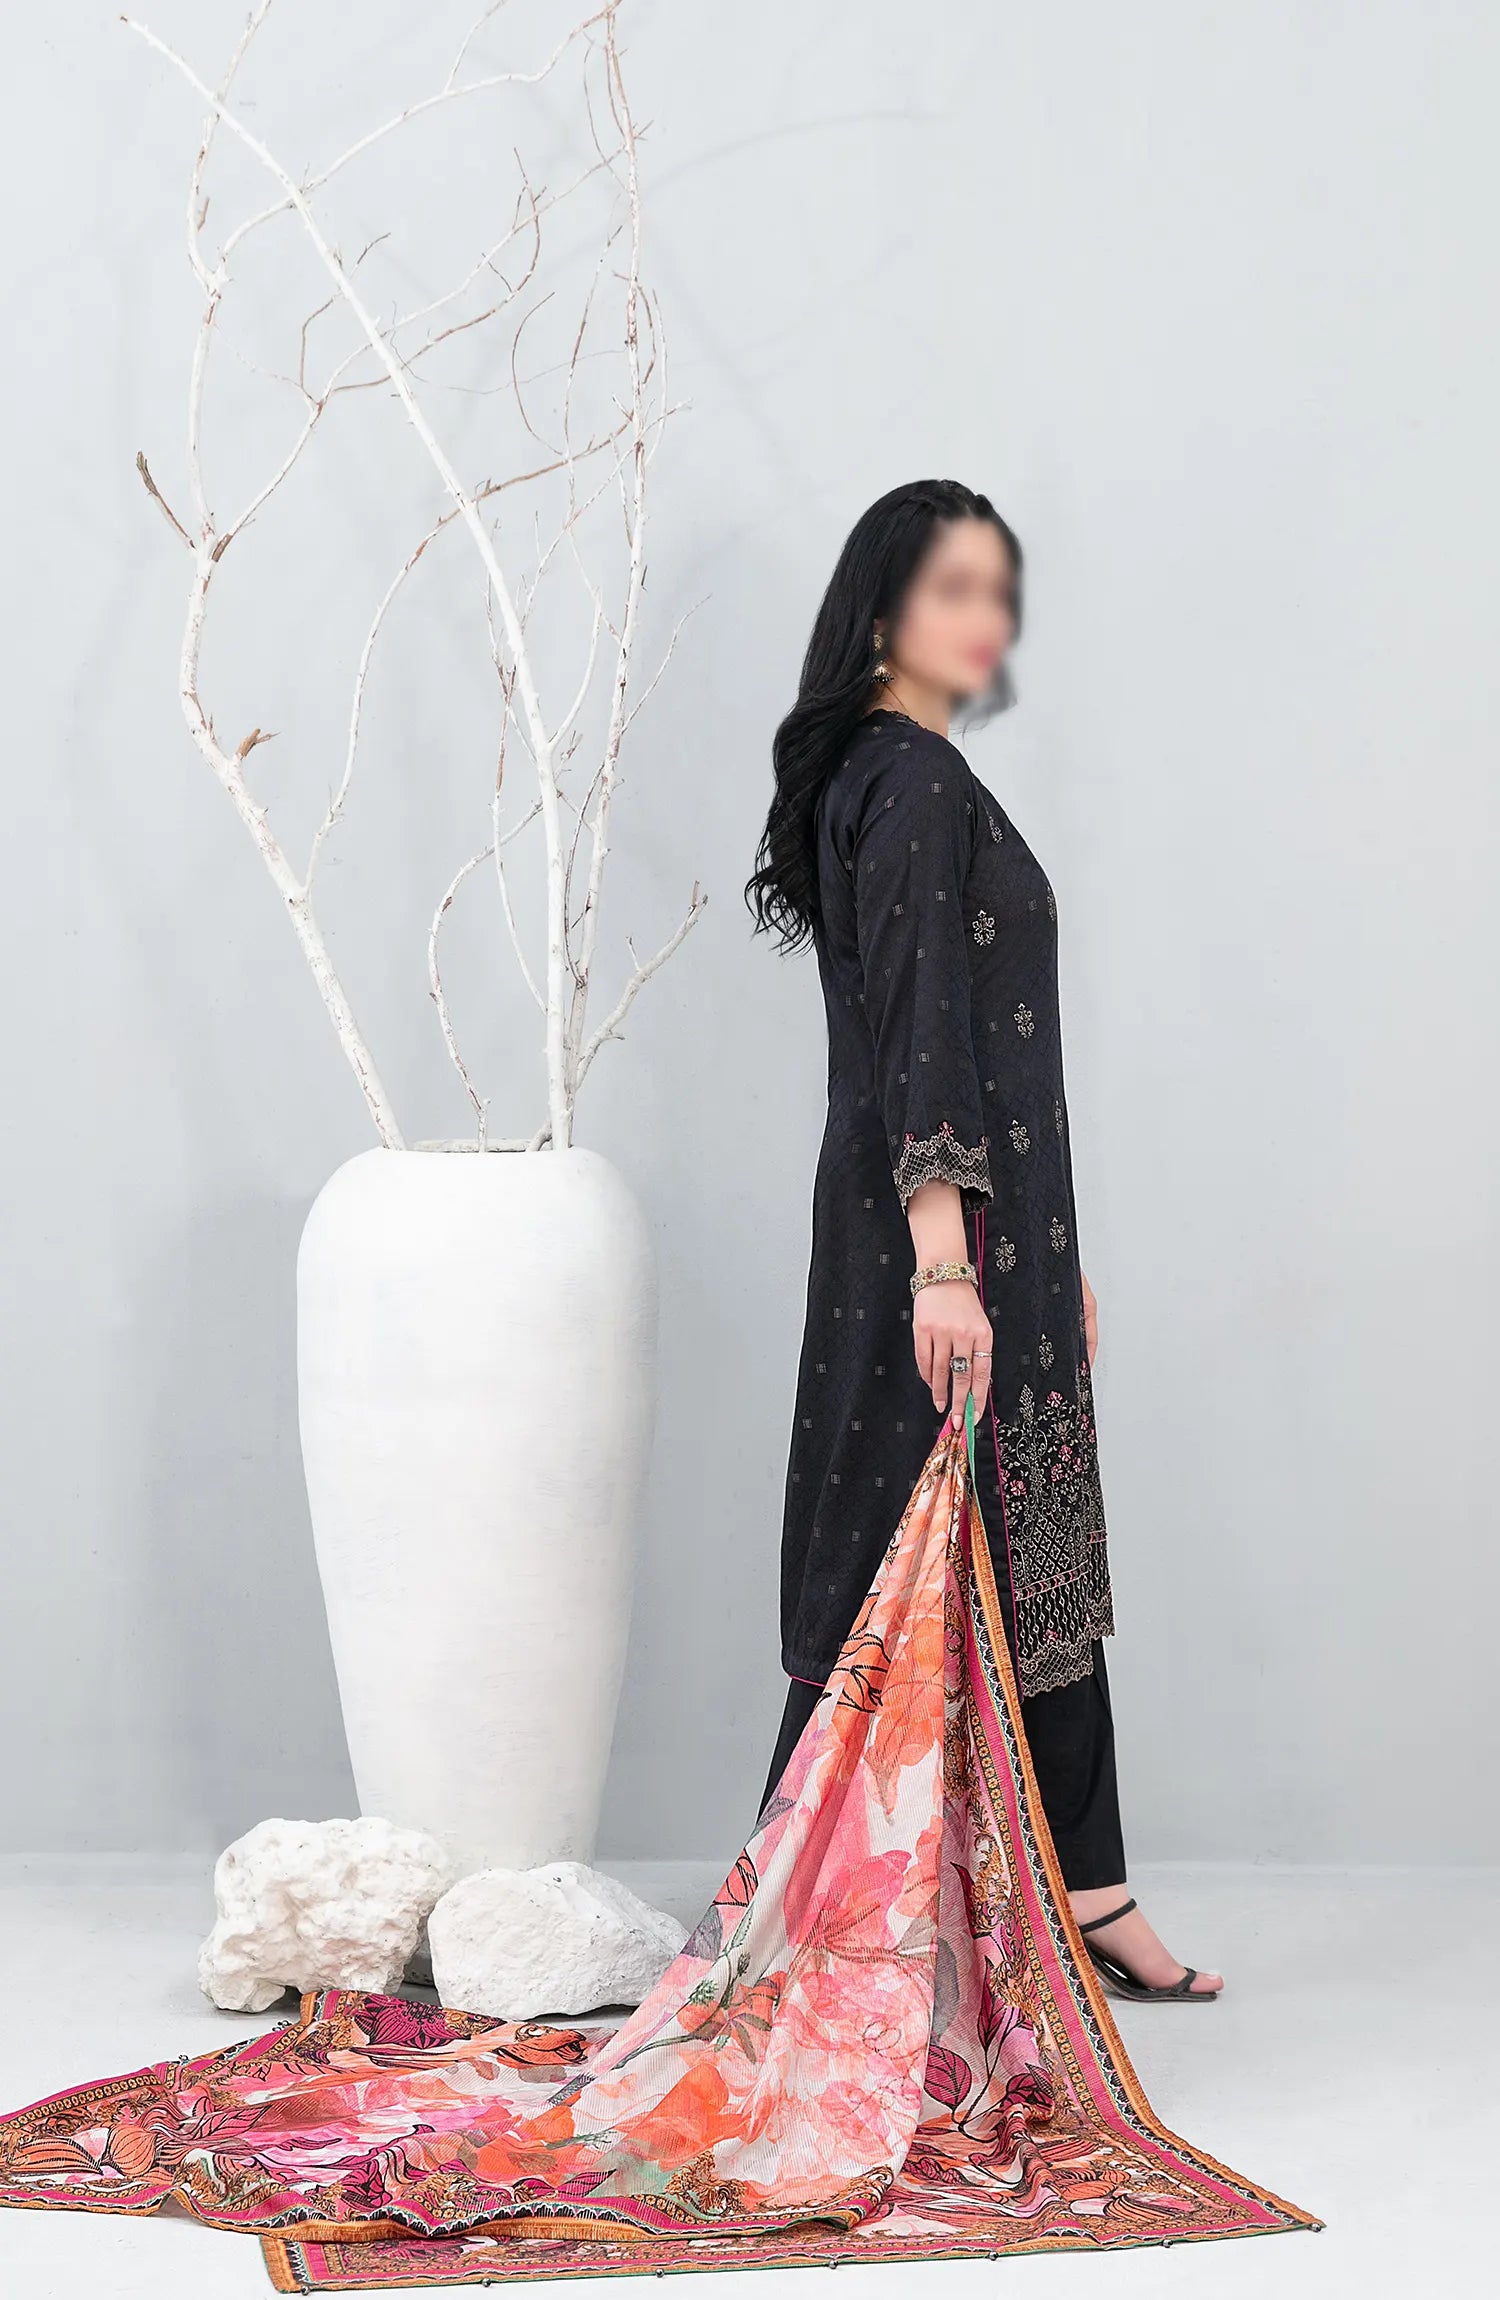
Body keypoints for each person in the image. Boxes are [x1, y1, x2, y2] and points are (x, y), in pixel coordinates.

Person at [743, 479, 1222, 2001]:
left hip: (979, 1237)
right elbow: (925, 1034)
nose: (987, 620)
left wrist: (1050, 1258)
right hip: (934, 1245)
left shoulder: (891, 775)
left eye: (999, 592)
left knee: (1034, 1561)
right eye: (954, 588)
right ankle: (798, 1924)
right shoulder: (914, 781)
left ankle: (1086, 1891)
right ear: (882, 610)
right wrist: (947, 1263)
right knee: (897, 1564)